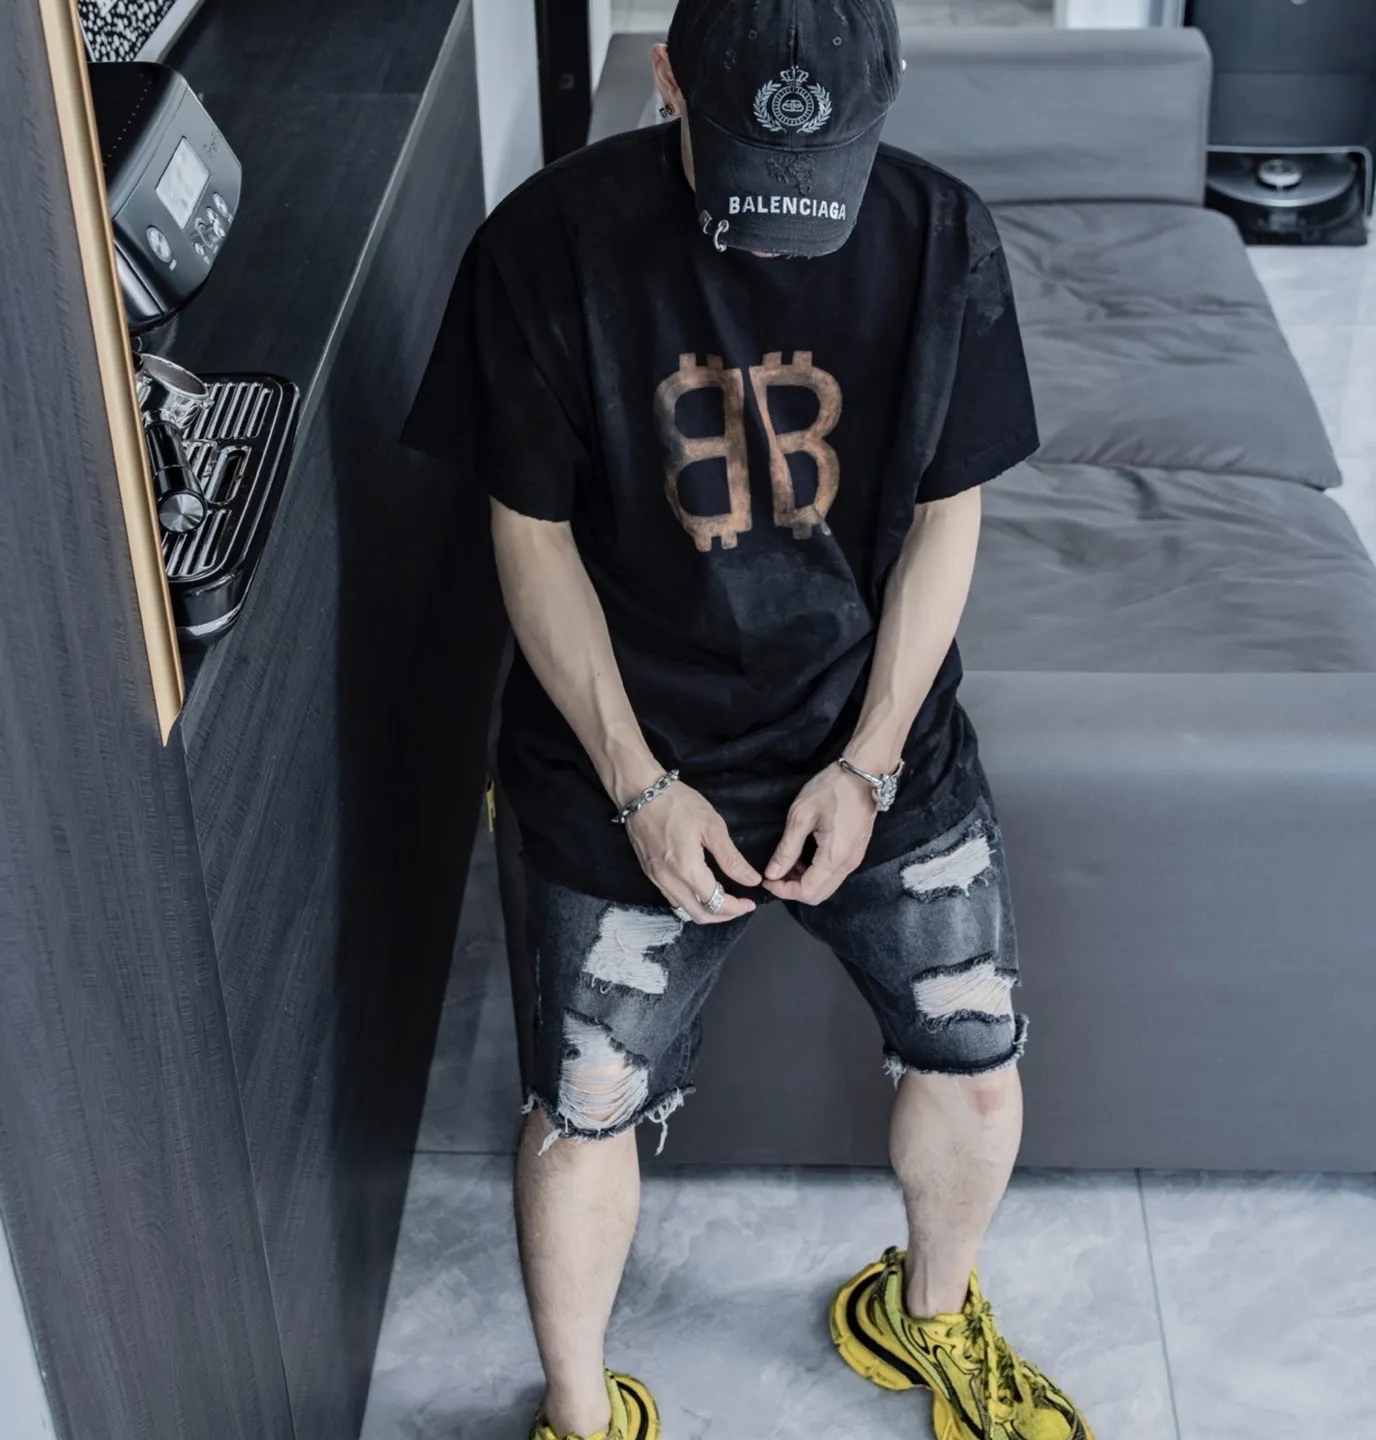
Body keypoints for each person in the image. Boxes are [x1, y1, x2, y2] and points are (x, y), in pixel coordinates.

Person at [404, 1, 1092, 1436]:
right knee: (585, 1107)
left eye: (819, 185)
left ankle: (927, 1317)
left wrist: (869, 762)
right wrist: (640, 786)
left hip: (872, 733)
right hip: (624, 747)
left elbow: (947, 518)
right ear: (667, 79)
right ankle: (580, 1413)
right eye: (751, 187)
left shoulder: (943, 236)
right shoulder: (544, 248)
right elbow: (528, 538)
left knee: (976, 1063)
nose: (781, 242)